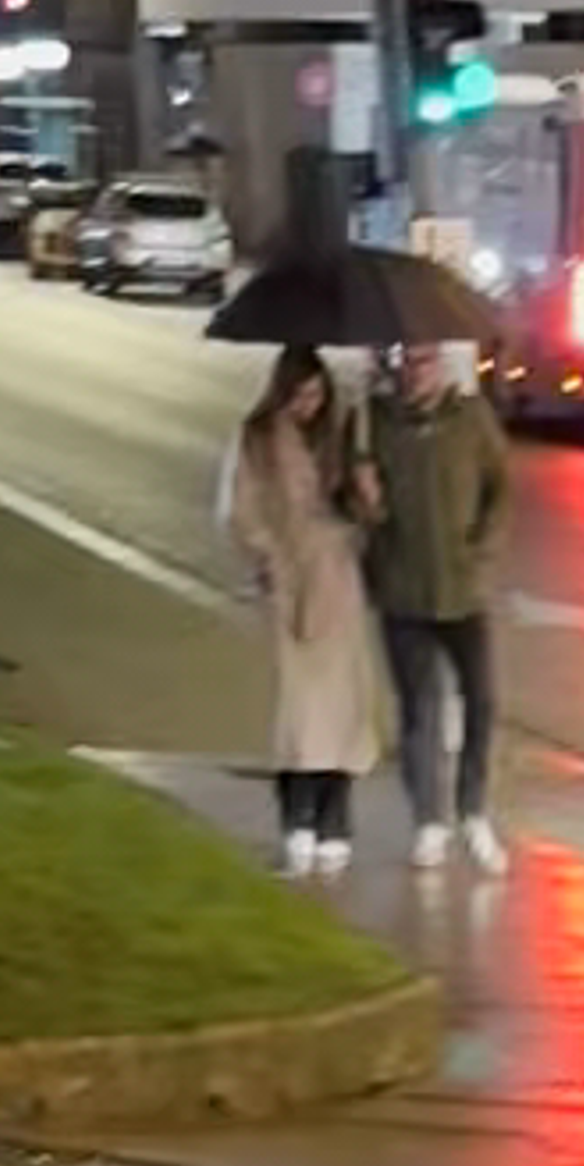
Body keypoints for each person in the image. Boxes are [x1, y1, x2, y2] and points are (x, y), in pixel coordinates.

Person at [217, 339, 386, 874]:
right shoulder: (259, 438)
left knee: (344, 708)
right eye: (299, 396)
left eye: (316, 394)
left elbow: (371, 510)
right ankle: (297, 819)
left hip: (338, 581)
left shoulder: (341, 434)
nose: (308, 406)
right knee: (298, 713)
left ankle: (335, 817)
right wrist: (268, 555)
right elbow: (244, 508)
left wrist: (361, 477)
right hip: (290, 584)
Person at [371, 336, 516, 874]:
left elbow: (500, 488)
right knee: (419, 709)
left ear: (443, 368)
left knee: (481, 701)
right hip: (404, 589)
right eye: (407, 362)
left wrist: (483, 549)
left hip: (463, 590)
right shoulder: (377, 422)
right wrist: (363, 497)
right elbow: (352, 496)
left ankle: (473, 810)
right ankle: (428, 821)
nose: (416, 373)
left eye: (425, 362)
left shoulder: (471, 419)